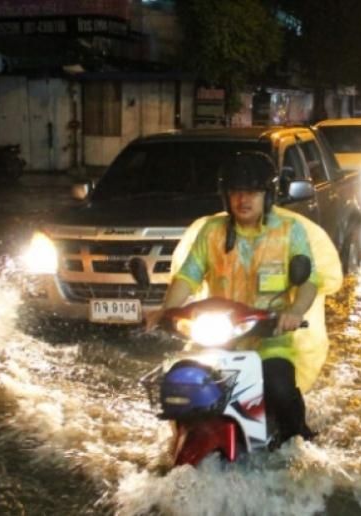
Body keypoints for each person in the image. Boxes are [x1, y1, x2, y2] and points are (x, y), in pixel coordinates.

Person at [146, 151, 343, 444]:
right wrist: (168, 310)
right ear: (226, 196)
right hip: (218, 337)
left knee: (279, 387)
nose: (243, 200)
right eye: (236, 192)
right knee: (182, 386)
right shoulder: (211, 233)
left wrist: (295, 311)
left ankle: (299, 444)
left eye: (252, 192)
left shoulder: (290, 231)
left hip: (271, 338)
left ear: (268, 195)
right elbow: (188, 275)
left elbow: (308, 282)